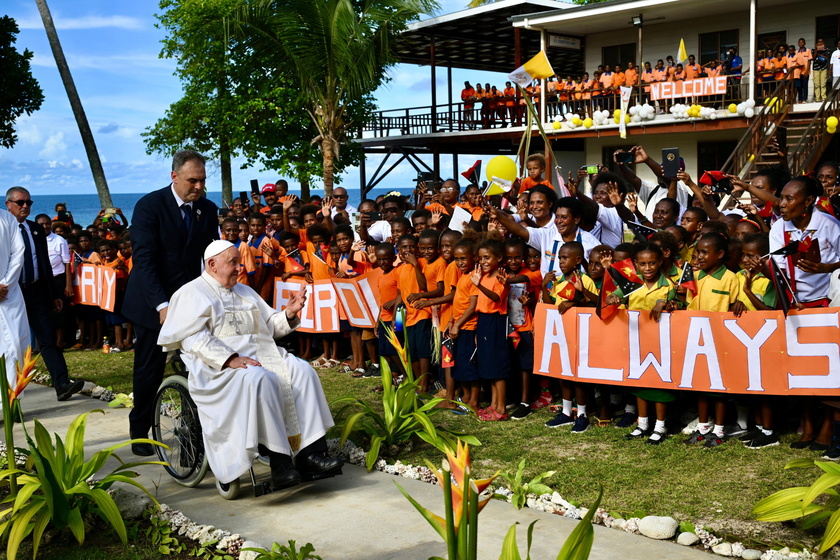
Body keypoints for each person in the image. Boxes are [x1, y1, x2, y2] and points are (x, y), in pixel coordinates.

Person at [157, 240, 342, 489]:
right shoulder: (190, 293)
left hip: (264, 356)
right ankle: (280, 464)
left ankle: (310, 454)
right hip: (219, 369)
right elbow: (192, 339)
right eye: (233, 262)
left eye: (239, 262)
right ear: (212, 264)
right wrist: (229, 359)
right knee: (260, 378)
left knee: (303, 371)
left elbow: (269, 328)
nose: (239, 268)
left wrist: (288, 313)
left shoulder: (245, 291)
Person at [122, 150, 220, 456]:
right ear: (174, 176)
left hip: (190, 302)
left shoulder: (207, 208)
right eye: (193, 180)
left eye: (203, 180)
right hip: (153, 303)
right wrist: (162, 306)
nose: (199, 187)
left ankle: (195, 435)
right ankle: (140, 432)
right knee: (149, 371)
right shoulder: (150, 207)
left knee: (199, 369)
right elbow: (145, 260)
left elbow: (208, 258)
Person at [5, 187, 83, 401]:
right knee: (13, 343)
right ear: (8, 204)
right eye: (20, 202)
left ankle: (62, 384)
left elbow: (44, 264)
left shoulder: (35, 230)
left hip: (37, 290)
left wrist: (53, 295)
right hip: (11, 294)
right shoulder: (4, 230)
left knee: (48, 338)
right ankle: (9, 389)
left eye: (28, 203)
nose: (25, 207)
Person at [0, 204, 28, 378]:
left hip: (8, 292)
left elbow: (18, 252)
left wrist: (5, 284)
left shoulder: (7, 218)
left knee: (16, 344)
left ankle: (10, 401)